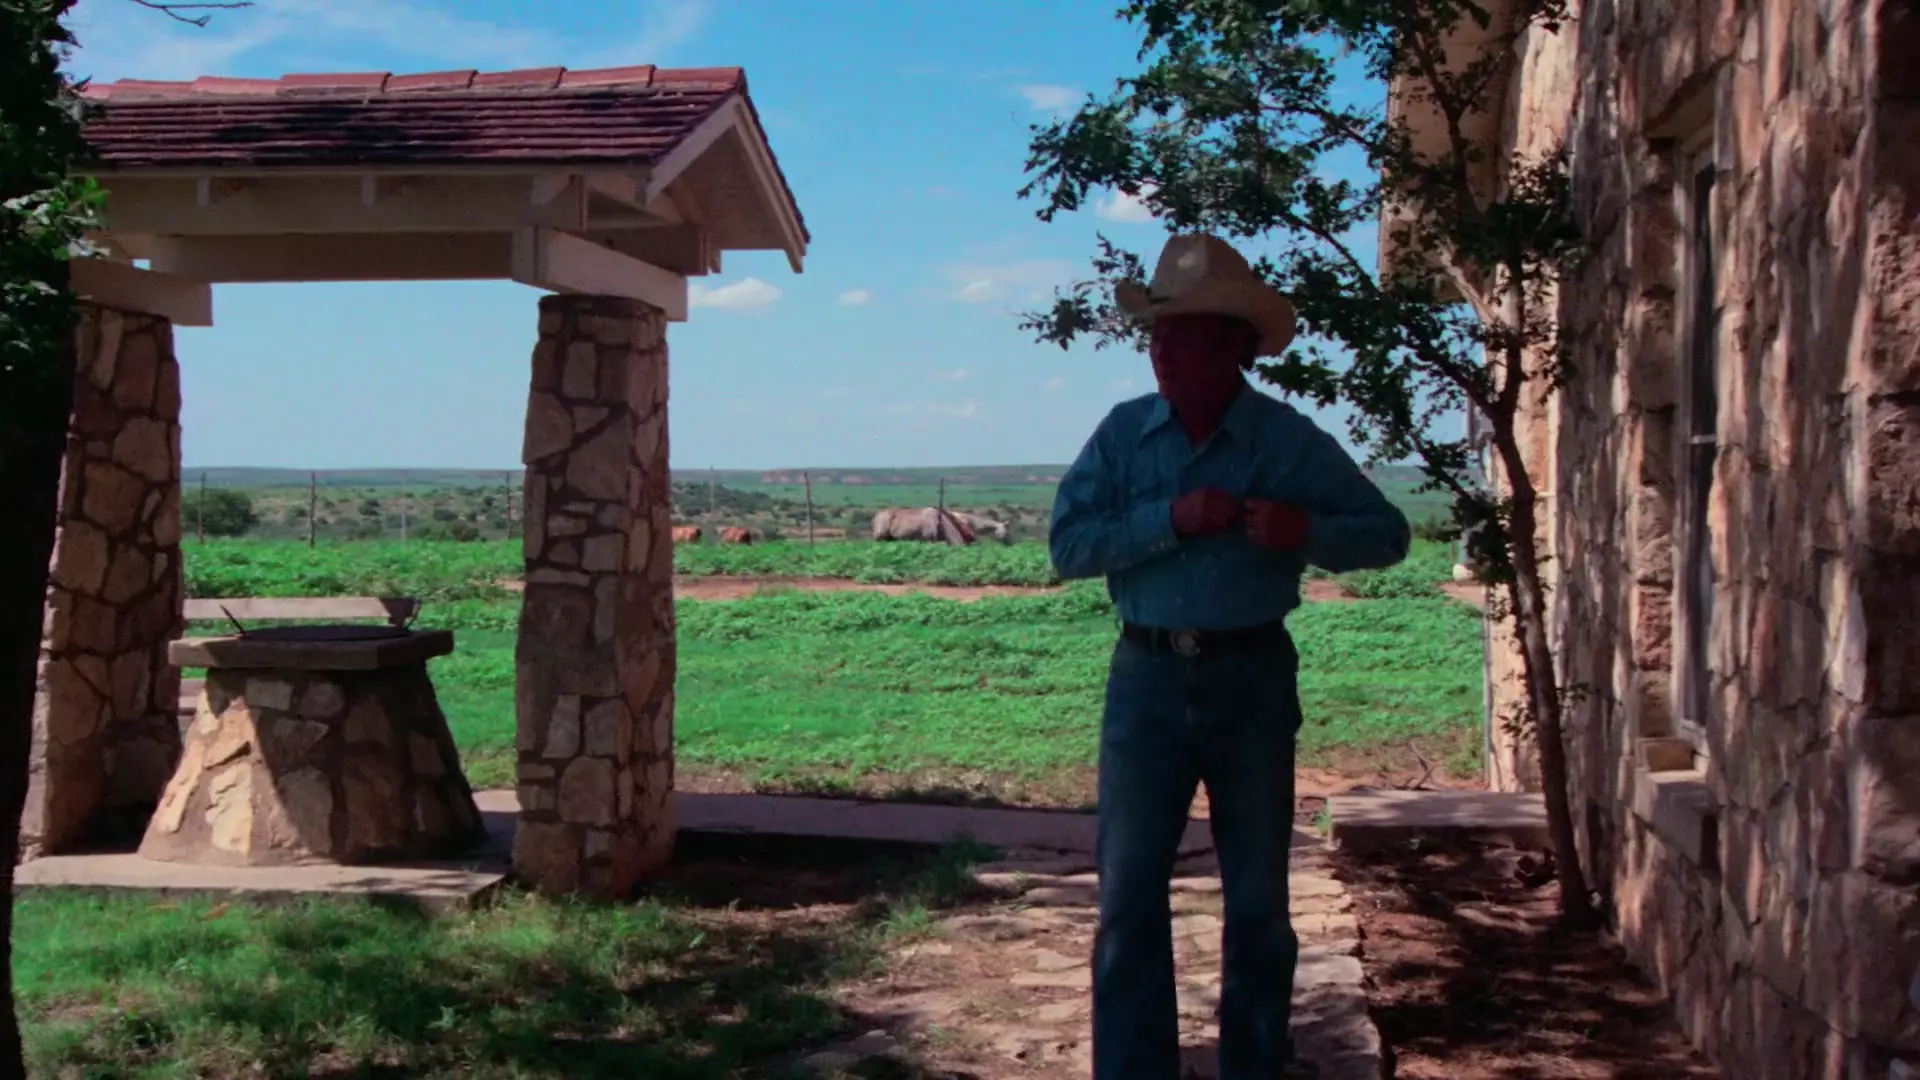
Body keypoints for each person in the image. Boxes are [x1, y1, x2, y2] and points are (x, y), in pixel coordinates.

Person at [1049, 233, 1411, 1078]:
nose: (1163, 354)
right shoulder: (1124, 435)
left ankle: (1253, 1063)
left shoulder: (1285, 442)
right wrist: (1168, 520)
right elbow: (1068, 546)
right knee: (1128, 895)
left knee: (1257, 898)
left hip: (1251, 682)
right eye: (1157, 337)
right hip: (1144, 682)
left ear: (1235, 346)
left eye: (1183, 336)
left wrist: (1304, 531)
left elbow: (1387, 534)